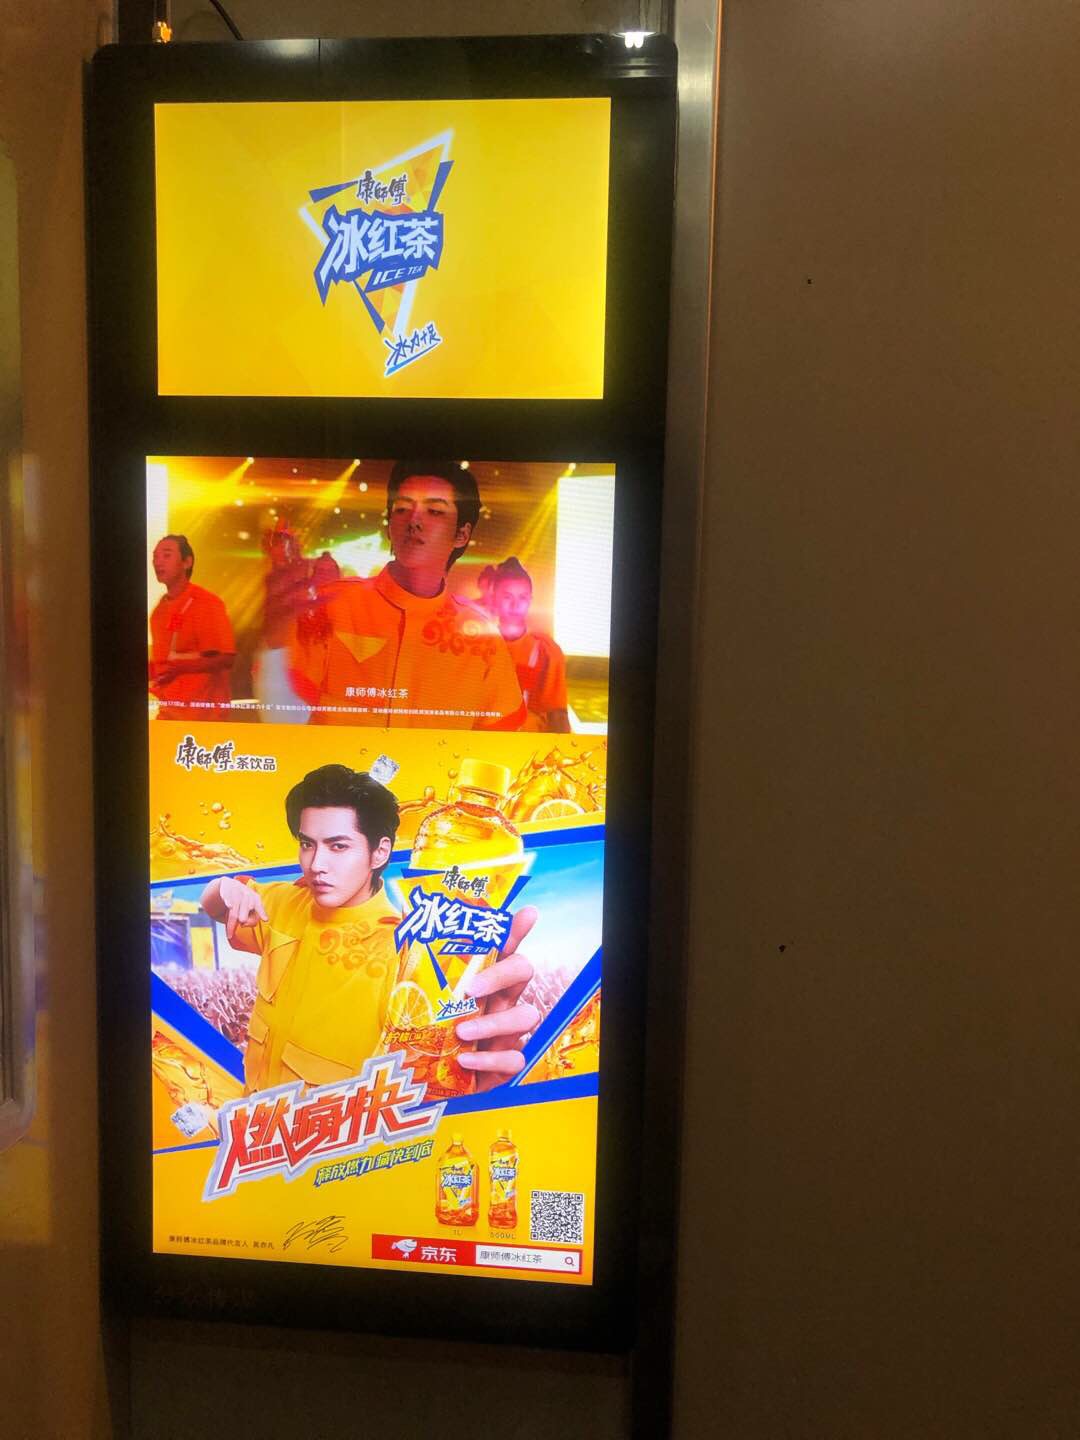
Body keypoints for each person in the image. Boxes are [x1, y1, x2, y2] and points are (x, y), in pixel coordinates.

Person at [200, 764, 537, 1095]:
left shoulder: (403, 951)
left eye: (338, 846)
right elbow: (216, 906)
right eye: (307, 844)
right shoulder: (286, 902)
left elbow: (425, 1068)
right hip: (251, 1120)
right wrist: (223, 888)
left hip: (327, 1128)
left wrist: (475, 1084)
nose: (316, 864)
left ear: (380, 853)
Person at [285, 462, 525, 729]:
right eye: (402, 509)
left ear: (461, 534)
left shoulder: (483, 640)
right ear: (389, 525)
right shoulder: (331, 605)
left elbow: (499, 738)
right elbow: (282, 712)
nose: (414, 521)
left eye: (435, 511)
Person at [149, 534, 236, 722]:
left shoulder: (206, 603)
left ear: (187, 562)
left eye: (166, 555)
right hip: (169, 714)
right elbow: (163, 665)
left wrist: (180, 667)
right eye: (155, 556)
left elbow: (226, 658)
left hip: (204, 717)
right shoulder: (158, 612)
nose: (158, 562)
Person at [491, 557, 571, 733]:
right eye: (507, 596)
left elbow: (557, 714)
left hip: (530, 742)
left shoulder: (546, 650)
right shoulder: (479, 647)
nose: (515, 605)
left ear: (530, 600)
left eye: (523, 597)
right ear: (494, 598)